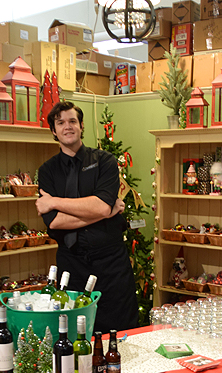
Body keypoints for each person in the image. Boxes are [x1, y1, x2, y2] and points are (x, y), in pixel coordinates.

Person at [36, 101, 138, 332]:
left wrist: (54, 202)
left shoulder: (104, 161)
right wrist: (106, 211)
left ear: (81, 126)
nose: (67, 126)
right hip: (71, 264)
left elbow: (100, 207)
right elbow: (55, 222)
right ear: (54, 131)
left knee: (121, 329)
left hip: (111, 262)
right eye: (60, 123)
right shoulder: (47, 171)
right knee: (74, 330)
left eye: (72, 121)